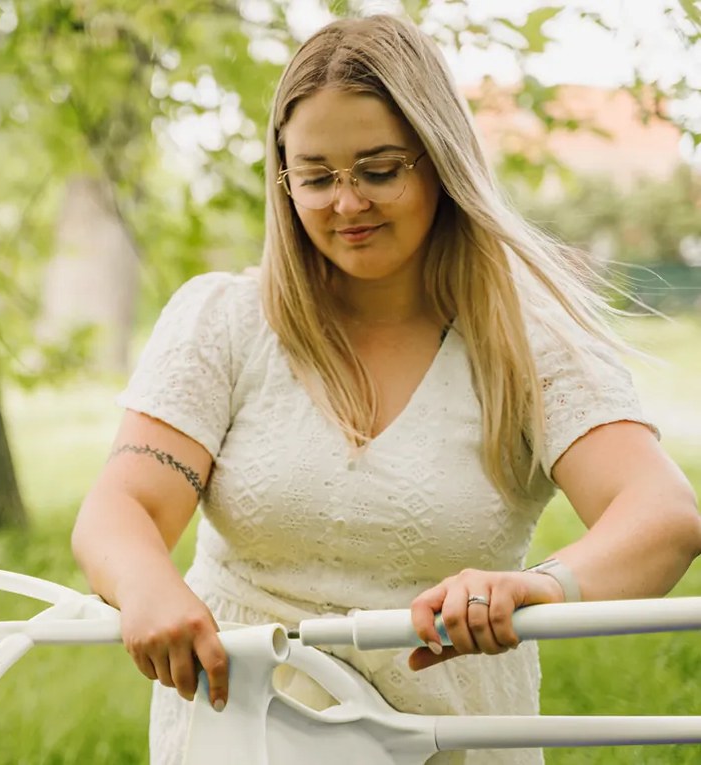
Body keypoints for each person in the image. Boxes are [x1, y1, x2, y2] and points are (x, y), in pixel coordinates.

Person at [71, 13, 701, 765]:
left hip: (453, 743)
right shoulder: (223, 320)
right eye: (316, 177)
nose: (346, 204)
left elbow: (661, 516)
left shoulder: (533, 342)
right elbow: (124, 504)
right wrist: (147, 584)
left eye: (378, 170)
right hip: (240, 737)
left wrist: (543, 587)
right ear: (284, 179)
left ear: (439, 162)